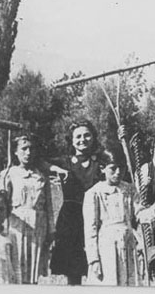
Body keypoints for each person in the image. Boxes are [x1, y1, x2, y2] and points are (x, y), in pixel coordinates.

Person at [82, 147, 155, 286]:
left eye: (121, 168)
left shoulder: (129, 190)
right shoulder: (94, 193)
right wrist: (94, 260)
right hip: (107, 247)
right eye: (113, 169)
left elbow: (140, 213)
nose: (118, 173)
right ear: (102, 168)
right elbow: (90, 230)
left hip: (128, 244)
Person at [49, 120, 104, 285]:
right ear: (72, 140)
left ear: (93, 137)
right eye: (78, 136)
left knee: (99, 262)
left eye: (87, 135)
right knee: (73, 268)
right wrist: (56, 170)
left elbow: (121, 163)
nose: (83, 139)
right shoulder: (64, 162)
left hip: (96, 216)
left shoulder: (101, 162)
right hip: (71, 218)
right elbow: (38, 160)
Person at [0, 133, 55, 283]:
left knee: (34, 268)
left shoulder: (41, 176)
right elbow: (1, 205)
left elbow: (48, 205)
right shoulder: (8, 174)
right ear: (16, 152)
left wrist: (51, 230)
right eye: (24, 148)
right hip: (16, 225)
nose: (28, 153)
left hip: (38, 225)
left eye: (31, 149)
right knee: (16, 267)